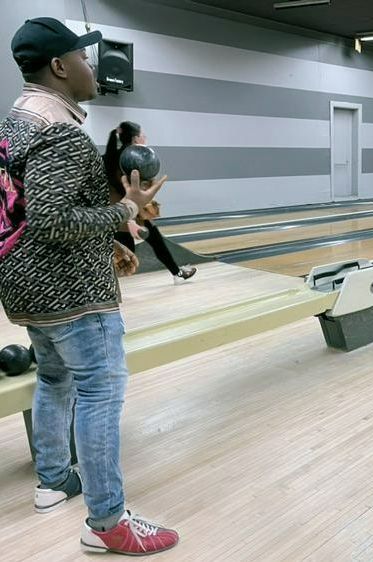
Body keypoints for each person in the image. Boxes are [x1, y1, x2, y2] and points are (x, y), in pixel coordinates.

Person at [0, 18, 179, 555]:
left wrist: (112, 233)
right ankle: (107, 523)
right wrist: (127, 207)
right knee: (100, 392)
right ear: (59, 67)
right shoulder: (60, 133)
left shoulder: (14, 122)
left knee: (55, 378)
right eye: (82, 56)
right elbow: (54, 222)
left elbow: (33, 213)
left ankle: (54, 481)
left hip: (27, 287)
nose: (91, 66)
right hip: (72, 294)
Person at [103, 121, 197, 283]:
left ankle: (177, 273)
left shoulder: (110, 156)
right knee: (146, 245)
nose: (144, 137)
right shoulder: (131, 159)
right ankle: (177, 274)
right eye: (141, 135)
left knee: (141, 246)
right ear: (135, 138)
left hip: (116, 214)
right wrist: (131, 219)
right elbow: (126, 190)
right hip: (128, 214)